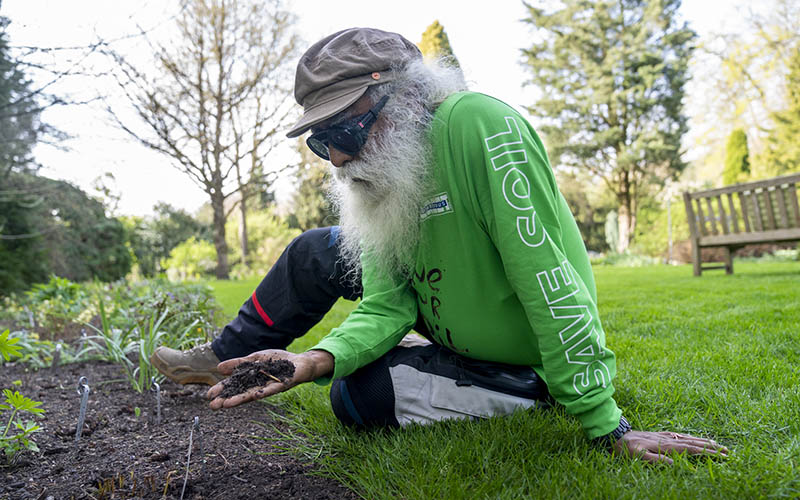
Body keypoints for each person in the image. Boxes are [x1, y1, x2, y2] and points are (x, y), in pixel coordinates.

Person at [151, 27, 727, 464]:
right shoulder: (383, 181)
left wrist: (609, 425)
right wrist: (309, 360)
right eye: (322, 143)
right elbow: (385, 301)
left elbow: (546, 277)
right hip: (444, 320)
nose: (341, 159)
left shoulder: (479, 126)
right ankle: (228, 353)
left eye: (346, 131)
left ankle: (537, 388)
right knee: (318, 264)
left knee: (359, 398)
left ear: (404, 96)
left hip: (518, 350)